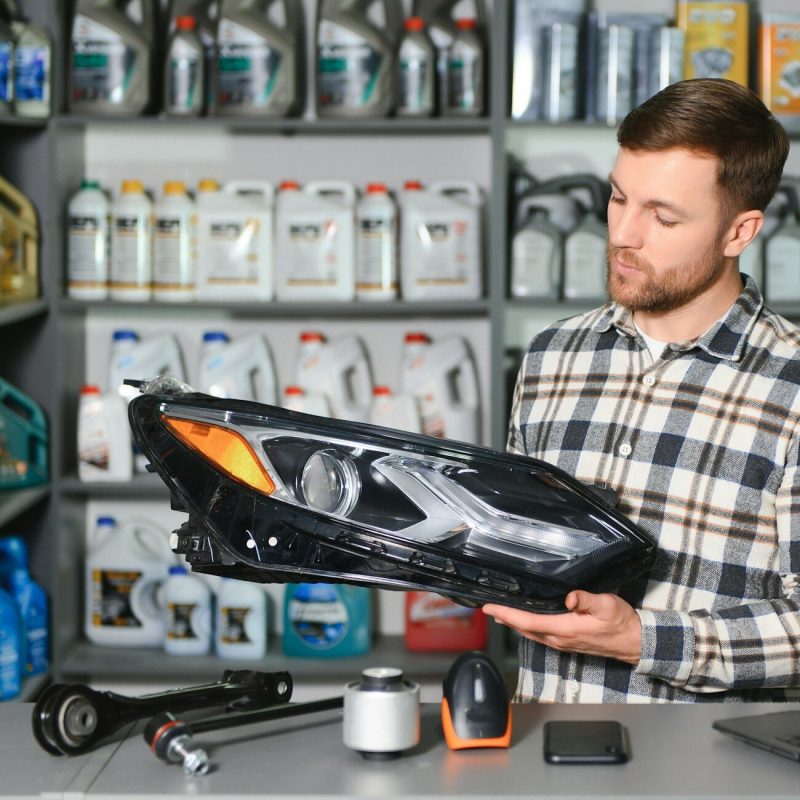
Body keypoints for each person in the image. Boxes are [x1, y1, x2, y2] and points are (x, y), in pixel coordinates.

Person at [483, 78, 800, 703]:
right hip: (542, 744)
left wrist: (641, 639)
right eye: (618, 197)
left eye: (663, 216)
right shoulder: (552, 356)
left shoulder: (791, 384)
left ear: (739, 232)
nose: (624, 233)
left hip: (710, 761)